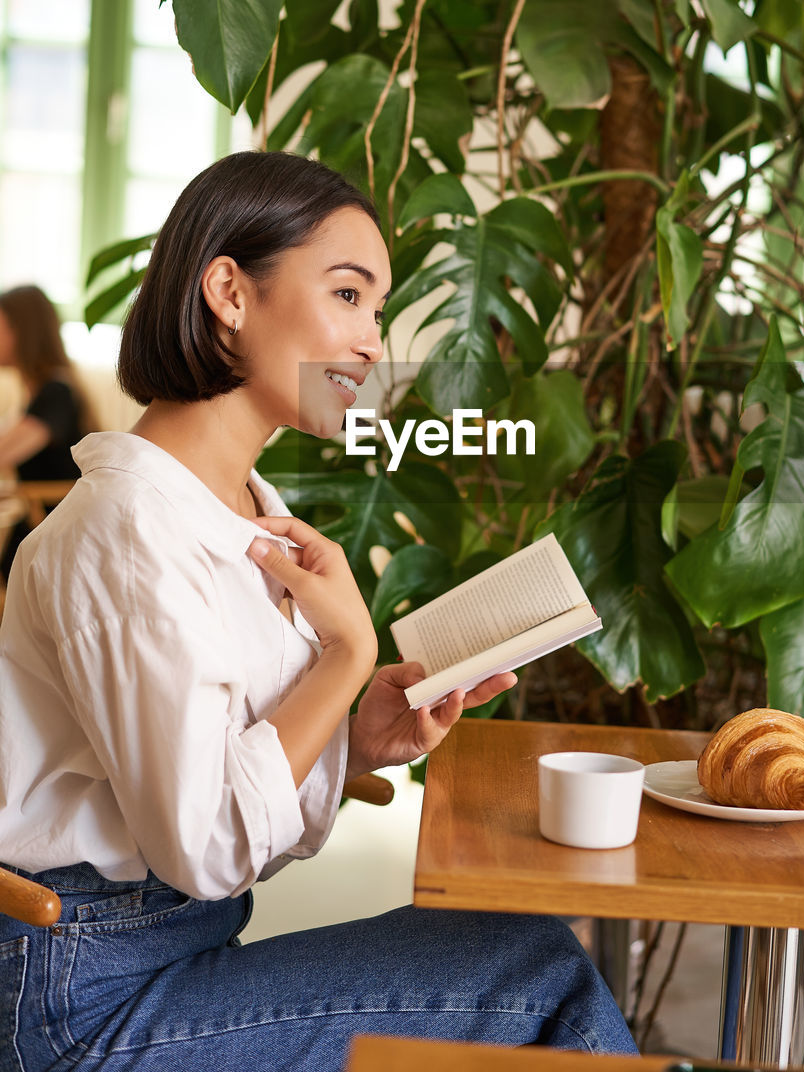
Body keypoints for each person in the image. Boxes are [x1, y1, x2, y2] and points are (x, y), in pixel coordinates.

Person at [0, 151, 636, 1071]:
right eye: (348, 295)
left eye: (376, 310)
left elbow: (209, 788)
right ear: (228, 290)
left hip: (163, 954)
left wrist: (352, 742)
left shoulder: (240, 512)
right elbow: (209, 848)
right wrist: (343, 659)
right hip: (79, 1001)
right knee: (529, 972)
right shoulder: (125, 535)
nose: (374, 342)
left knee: (518, 955)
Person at [0, 284, 97, 583]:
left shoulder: (56, 392)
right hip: (41, 526)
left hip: (56, 535)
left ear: (22, 332)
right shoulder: (41, 393)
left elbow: (4, 452)